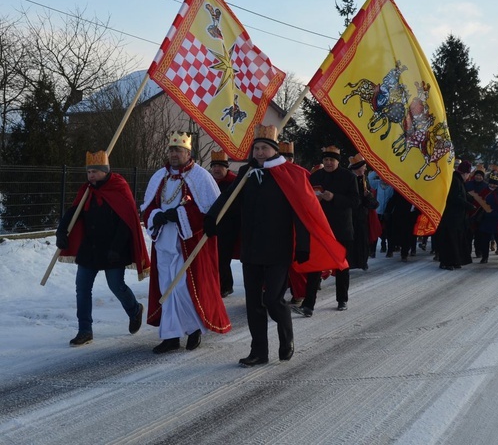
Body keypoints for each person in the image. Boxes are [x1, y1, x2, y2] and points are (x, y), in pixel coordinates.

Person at [204, 125, 346, 366]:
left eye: (264, 148)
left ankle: (286, 336)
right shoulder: (246, 175)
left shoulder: (289, 175)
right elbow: (227, 200)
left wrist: (303, 245)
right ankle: (258, 351)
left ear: (273, 150)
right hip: (251, 248)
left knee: (272, 300)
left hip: (278, 249)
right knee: (253, 304)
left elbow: (301, 211)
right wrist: (212, 218)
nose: (259, 153)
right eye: (256, 148)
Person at [142, 131, 231, 354]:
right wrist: (157, 216)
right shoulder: (159, 177)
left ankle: (193, 330)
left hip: (188, 242)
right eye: (171, 150)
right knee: (167, 288)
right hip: (163, 241)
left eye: (178, 150)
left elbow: (210, 212)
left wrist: (179, 214)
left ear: (188, 152)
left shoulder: (201, 177)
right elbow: (147, 207)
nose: (174, 154)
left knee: (182, 287)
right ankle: (171, 336)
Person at [56, 150, 150, 346]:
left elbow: (127, 221)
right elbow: (74, 212)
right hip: (90, 248)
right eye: (88, 172)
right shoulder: (87, 191)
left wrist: (116, 248)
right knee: (82, 288)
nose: (91, 176)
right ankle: (85, 329)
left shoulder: (119, 187)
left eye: (95, 172)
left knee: (116, 285)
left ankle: (134, 310)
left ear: (105, 171)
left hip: (114, 250)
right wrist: (61, 231)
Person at [294, 145, 359, 315]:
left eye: (331, 160)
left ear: (337, 161)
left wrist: (334, 198)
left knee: (342, 266)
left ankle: (342, 299)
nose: (328, 163)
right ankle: (308, 305)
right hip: (320, 229)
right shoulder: (315, 176)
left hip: (341, 228)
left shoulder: (348, 177)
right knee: (315, 266)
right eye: (326, 160)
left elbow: (355, 201)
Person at [436, 160, 475, 270]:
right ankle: (446, 262)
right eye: (468, 174)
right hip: (451, 217)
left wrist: (470, 199)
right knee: (450, 240)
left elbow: (462, 194)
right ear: (464, 173)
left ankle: (455, 261)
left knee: (456, 240)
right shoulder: (455, 181)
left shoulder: (458, 180)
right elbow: (455, 197)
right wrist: (468, 205)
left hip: (457, 218)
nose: (468, 177)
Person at [209, 149, 238, 298]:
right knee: (213, 256)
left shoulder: (234, 183)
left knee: (222, 257)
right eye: (214, 166)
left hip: (229, 226)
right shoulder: (209, 182)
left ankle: (226, 285)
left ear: (226, 168)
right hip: (212, 224)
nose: (216, 169)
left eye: (220, 166)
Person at [348, 154, 379, 270]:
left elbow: (369, 201)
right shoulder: (349, 179)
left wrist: (368, 197)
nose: (365, 169)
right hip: (351, 216)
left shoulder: (364, 179)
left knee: (363, 240)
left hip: (362, 216)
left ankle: (362, 261)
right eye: (364, 166)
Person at [478, 172, 498, 264]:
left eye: (495, 183)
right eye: (491, 183)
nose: (492, 185)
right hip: (486, 219)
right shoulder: (485, 191)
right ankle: (485, 257)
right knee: (484, 240)